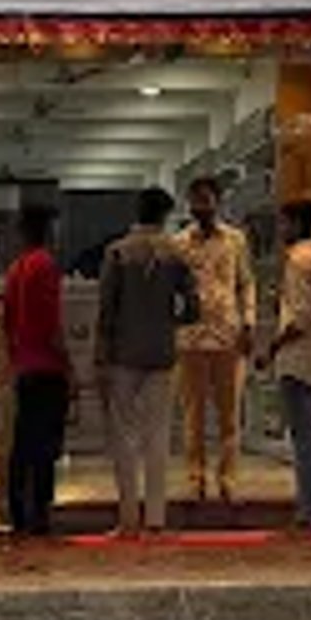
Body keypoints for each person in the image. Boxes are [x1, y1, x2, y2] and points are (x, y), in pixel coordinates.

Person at [95, 186, 199, 536]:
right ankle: (156, 518)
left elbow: (106, 309)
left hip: (124, 353)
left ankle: (128, 518)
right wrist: (169, 322)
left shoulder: (118, 253)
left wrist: (102, 353)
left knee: (124, 435)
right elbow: (194, 307)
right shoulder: (176, 254)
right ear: (165, 215)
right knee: (158, 435)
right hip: (162, 352)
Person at [174, 176, 255, 505]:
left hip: (227, 336)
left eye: (206, 200)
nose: (200, 207)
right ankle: (196, 479)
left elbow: (246, 283)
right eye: (195, 200)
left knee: (229, 415)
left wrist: (248, 322)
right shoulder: (179, 244)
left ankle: (228, 479)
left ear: (217, 202)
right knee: (193, 415)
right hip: (191, 339)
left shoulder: (235, 241)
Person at [264, 199, 311, 532]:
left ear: (294, 224)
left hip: (297, 361)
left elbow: (300, 317)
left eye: (283, 223)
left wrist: (273, 347)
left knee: (304, 441)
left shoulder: (298, 262)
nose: (279, 230)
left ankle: (309, 513)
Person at [2, 204, 70, 537]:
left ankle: (17, 507)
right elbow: (52, 322)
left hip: (24, 364)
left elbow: (8, 319)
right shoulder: (45, 265)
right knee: (46, 444)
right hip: (47, 365)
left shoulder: (15, 269)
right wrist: (68, 363)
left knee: (23, 439)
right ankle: (40, 511)